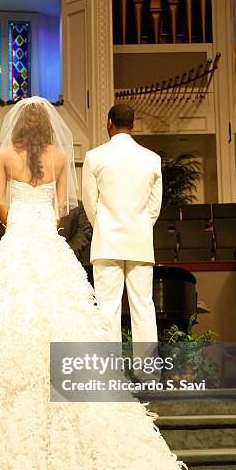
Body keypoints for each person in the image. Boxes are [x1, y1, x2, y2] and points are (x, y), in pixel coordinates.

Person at [0, 96, 222, 470]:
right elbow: (64, 209)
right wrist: (43, 223)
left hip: (26, 240)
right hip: (69, 239)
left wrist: (18, 226)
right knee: (103, 311)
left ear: (18, 126)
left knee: (81, 310)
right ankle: (133, 371)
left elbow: (1, 206)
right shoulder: (66, 157)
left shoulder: (7, 155)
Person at [82, 103, 162, 343]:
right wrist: (139, 227)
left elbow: (90, 203)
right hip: (139, 240)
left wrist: (105, 226)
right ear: (133, 125)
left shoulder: (94, 157)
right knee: (143, 308)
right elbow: (154, 207)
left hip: (107, 241)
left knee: (107, 308)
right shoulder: (152, 158)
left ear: (109, 123)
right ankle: (148, 374)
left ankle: (109, 375)